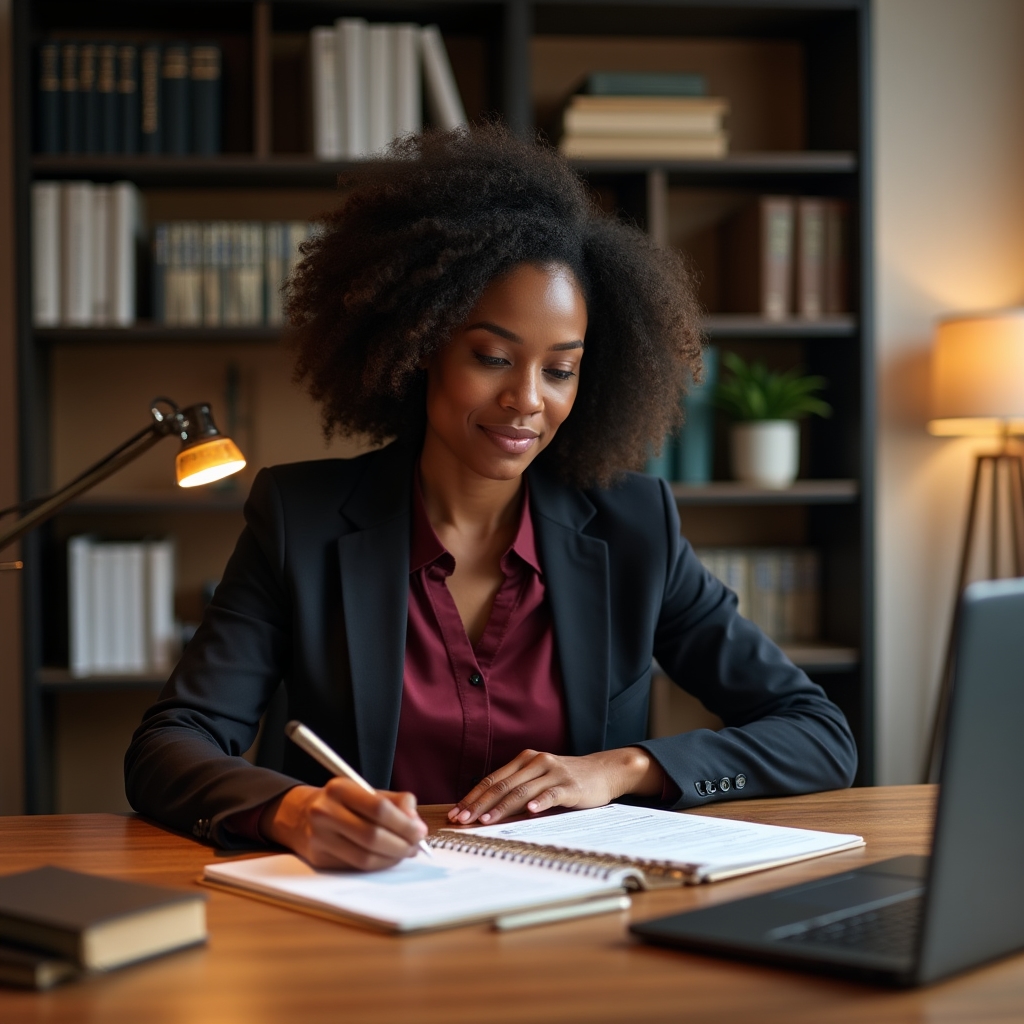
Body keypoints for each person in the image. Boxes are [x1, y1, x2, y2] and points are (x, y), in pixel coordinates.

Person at [125, 126, 856, 872]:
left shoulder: (636, 527)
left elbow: (817, 734)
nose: (526, 401)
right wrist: (294, 810)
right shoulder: (300, 520)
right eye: (493, 358)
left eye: (561, 370)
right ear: (417, 349)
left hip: (577, 919)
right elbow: (168, 747)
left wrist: (618, 768)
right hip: (368, 916)